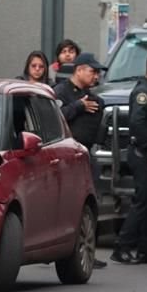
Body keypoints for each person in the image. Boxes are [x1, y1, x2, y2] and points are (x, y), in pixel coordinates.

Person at [110, 51, 147, 265]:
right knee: (142, 202)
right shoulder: (144, 92)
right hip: (142, 154)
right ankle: (122, 245)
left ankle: (146, 249)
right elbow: (137, 123)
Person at [54, 51, 107, 268]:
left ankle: (88, 250)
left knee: (90, 203)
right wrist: (79, 106)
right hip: (67, 157)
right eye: (92, 72)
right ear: (79, 70)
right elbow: (56, 117)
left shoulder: (93, 96)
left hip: (86, 154)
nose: (96, 77)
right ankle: (66, 250)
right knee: (70, 203)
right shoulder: (61, 92)